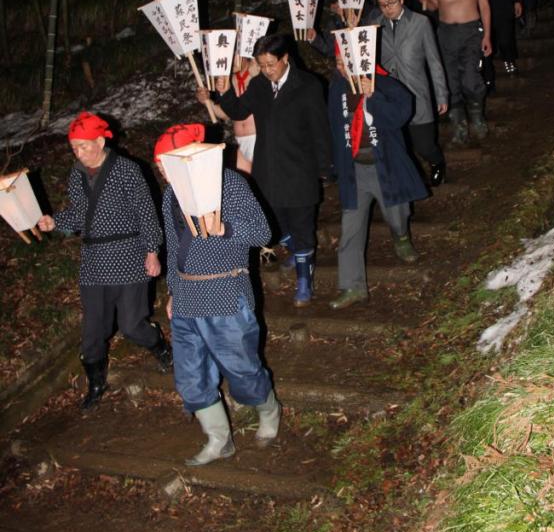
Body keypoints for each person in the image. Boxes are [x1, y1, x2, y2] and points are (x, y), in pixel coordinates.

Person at [155, 123, 280, 466]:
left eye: (168, 163)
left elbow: (262, 232)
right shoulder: (169, 195)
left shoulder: (230, 184)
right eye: (160, 164)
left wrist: (226, 229)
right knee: (190, 375)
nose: (163, 171)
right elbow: (174, 251)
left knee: (242, 369)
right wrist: (172, 293)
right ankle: (219, 439)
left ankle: (268, 410)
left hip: (225, 294)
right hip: (185, 300)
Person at [37, 111, 171, 411]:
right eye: (74, 148)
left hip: (129, 256)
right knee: (93, 331)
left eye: (84, 146)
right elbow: (81, 216)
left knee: (132, 325)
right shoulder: (76, 175)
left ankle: (159, 346)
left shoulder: (127, 170)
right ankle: (97, 381)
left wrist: (152, 251)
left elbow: (147, 213)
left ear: (100, 140)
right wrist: (55, 222)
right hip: (94, 262)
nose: (79, 153)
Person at [198, 32, 332, 307]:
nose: (267, 70)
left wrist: (324, 166)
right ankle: (296, 250)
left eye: (271, 63)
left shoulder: (308, 85)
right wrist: (223, 92)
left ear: (285, 59)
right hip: (268, 170)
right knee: (273, 227)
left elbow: (320, 129)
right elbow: (238, 111)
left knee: (303, 226)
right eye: (262, 64)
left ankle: (304, 281)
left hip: (299, 170)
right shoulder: (259, 85)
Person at [328, 51, 427, 309]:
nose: (340, 69)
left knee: (397, 214)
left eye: (344, 64)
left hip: (385, 166)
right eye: (337, 64)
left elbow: (400, 116)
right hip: (354, 171)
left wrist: (374, 97)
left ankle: (401, 237)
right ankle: (353, 286)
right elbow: (334, 128)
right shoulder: (338, 88)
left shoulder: (386, 85)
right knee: (350, 229)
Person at [373, 0, 449, 186]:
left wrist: (441, 94)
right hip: (390, 97)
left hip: (417, 94)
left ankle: (436, 161)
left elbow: (434, 62)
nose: (387, 9)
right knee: (400, 144)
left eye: (391, 3)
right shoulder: (375, 27)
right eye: (382, 5)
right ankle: (412, 179)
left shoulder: (420, 23)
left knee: (424, 145)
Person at [419, 0, 492, 143]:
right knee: (449, 81)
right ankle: (458, 125)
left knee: (470, 78)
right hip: (446, 32)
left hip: (471, 31)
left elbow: (484, 5)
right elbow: (434, 6)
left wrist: (487, 35)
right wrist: (425, 0)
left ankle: (477, 117)